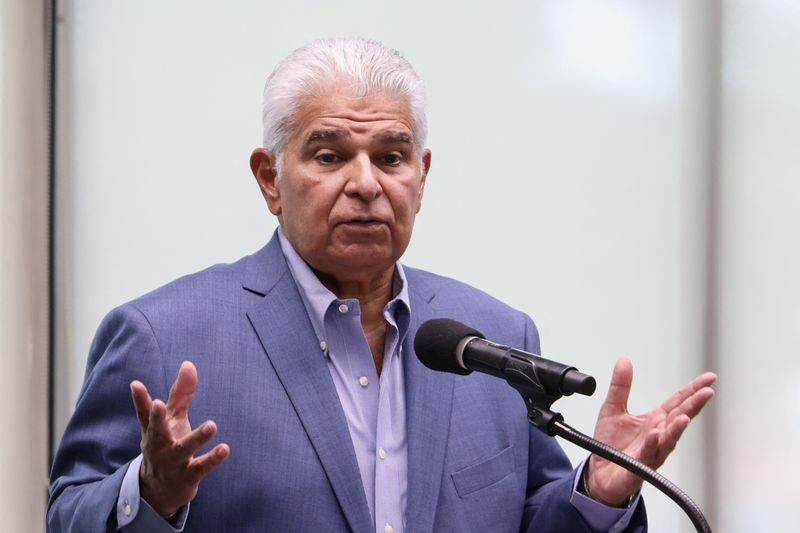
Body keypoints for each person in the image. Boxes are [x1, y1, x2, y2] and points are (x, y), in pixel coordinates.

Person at [47, 37, 716, 533]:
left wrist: (596, 492)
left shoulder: (493, 338)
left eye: (391, 157)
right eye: (330, 154)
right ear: (270, 178)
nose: (366, 184)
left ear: (420, 177)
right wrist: (151, 489)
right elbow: (68, 514)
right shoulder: (163, 336)